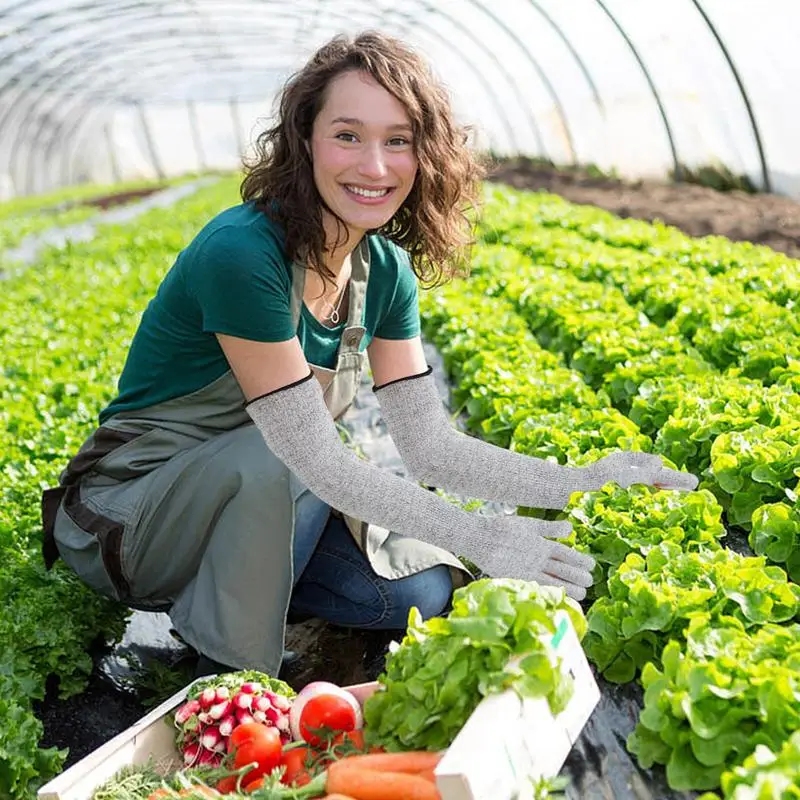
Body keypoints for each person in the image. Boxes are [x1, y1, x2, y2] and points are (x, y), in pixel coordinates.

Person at [41, 31, 698, 679]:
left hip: (266, 500)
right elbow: (310, 456)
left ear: (425, 155)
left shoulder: (384, 271)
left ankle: (246, 589)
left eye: (398, 141)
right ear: (305, 141)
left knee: (415, 595)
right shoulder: (243, 254)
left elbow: (431, 450)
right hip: (134, 517)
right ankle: (228, 669)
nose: (375, 167)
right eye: (348, 135)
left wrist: (578, 482)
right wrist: (480, 535)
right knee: (288, 453)